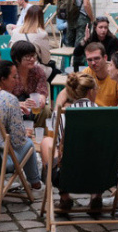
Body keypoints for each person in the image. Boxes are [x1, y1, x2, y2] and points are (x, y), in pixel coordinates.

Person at [0, 60, 42, 190]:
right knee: (28, 143)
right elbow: (18, 140)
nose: (17, 81)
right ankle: (36, 185)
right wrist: (24, 133)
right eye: (14, 77)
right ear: (3, 79)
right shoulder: (9, 99)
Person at [40, 72, 100, 213]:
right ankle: (96, 194)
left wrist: (58, 105)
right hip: (101, 174)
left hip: (67, 176)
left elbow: (57, 138)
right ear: (91, 91)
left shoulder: (62, 114)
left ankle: (65, 197)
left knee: (47, 142)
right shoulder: (106, 114)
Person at [62, 0, 95, 69]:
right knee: (80, 46)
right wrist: (92, 18)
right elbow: (86, 3)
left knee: (68, 46)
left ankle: (64, 69)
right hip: (81, 17)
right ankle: (78, 73)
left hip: (69, 16)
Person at [9, 40, 51, 127]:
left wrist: (41, 100)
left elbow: (42, 92)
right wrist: (19, 104)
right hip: (13, 106)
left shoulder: (38, 71)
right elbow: (3, 95)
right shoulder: (9, 73)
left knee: (46, 110)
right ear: (17, 59)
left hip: (33, 105)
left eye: (33, 55)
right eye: (27, 57)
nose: (32, 59)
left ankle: (39, 134)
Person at [10, 5, 54, 77]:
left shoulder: (15, 31)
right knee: (56, 73)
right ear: (41, 18)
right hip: (32, 68)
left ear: (26, 16)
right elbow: (46, 60)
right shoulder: (41, 34)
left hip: (17, 69)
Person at [78, 42, 118, 107]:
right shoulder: (86, 73)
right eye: (89, 60)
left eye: (96, 58)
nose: (93, 63)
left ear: (105, 58)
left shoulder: (116, 75)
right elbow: (65, 93)